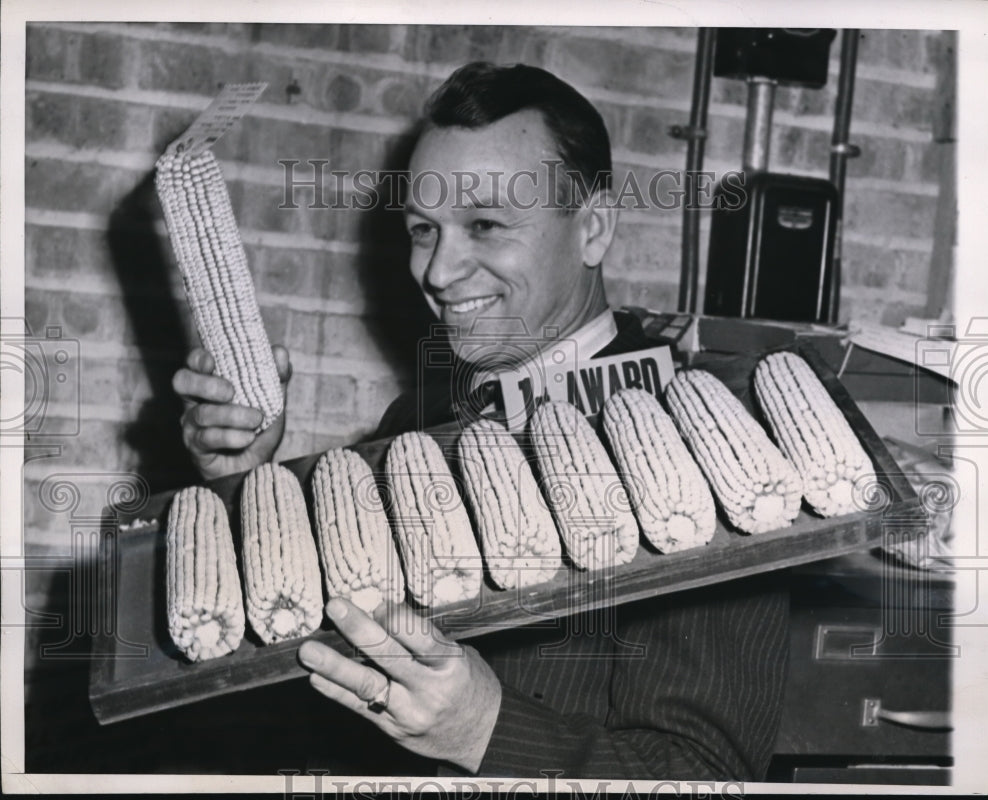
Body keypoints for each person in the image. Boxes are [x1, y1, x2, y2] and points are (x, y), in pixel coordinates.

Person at [173, 62, 788, 780]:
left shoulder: (712, 456)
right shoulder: (421, 418)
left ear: (592, 228)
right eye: (423, 230)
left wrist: (483, 731)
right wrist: (246, 490)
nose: (437, 272)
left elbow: (702, 774)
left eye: (486, 225)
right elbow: (314, 670)